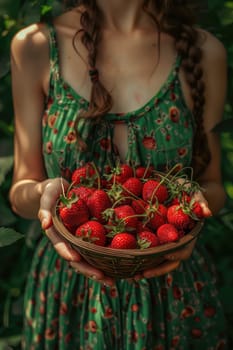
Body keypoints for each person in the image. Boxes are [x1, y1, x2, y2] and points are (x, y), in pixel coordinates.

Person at [9, 0, 229, 348]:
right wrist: (44, 193)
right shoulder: (34, 46)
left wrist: (192, 204)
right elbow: (21, 188)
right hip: (69, 295)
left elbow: (214, 185)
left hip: (174, 296)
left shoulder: (204, 53)